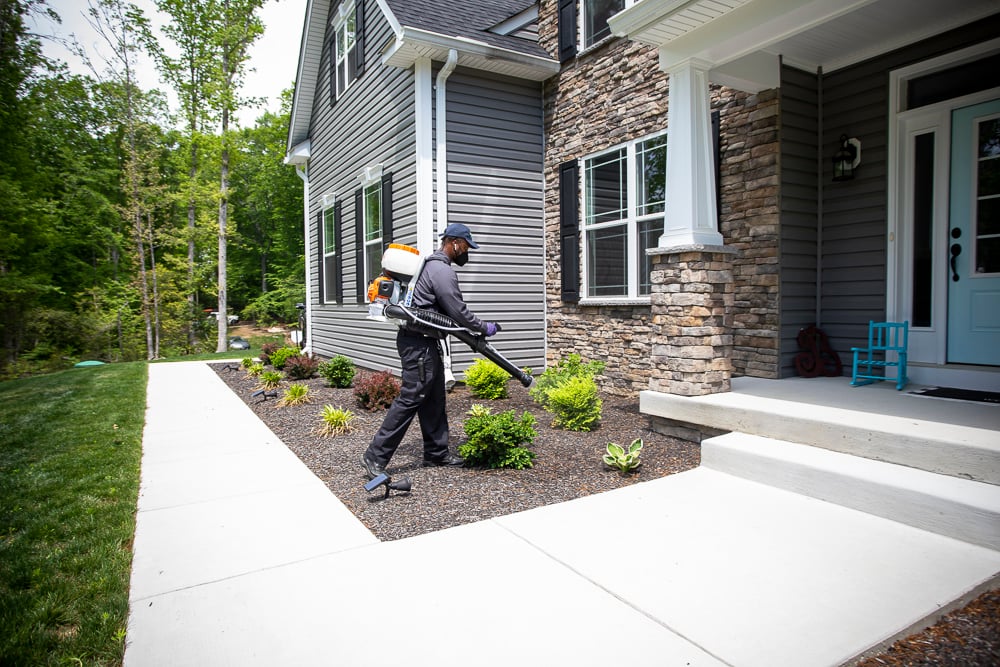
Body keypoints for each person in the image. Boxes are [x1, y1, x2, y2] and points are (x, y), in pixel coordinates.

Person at [360, 223, 499, 479]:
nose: (467, 251)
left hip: (425, 342)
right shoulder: (440, 270)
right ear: (455, 243)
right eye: (466, 246)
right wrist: (483, 327)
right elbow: (457, 310)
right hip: (418, 344)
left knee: (434, 398)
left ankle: (436, 454)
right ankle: (375, 456)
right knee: (410, 398)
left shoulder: (434, 267)